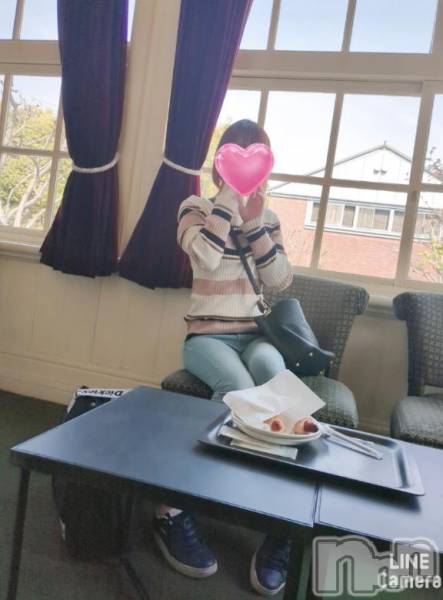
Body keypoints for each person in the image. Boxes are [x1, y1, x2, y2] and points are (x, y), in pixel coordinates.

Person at [153, 119, 294, 597]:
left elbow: (279, 281)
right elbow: (206, 258)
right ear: (220, 162)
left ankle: (279, 522)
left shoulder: (268, 218)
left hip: (255, 335)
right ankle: (175, 506)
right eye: (239, 156)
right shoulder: (194, 207)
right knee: (236, 388)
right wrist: (229, 202)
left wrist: (254, 223)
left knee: (277, 382)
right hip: (207, 337)